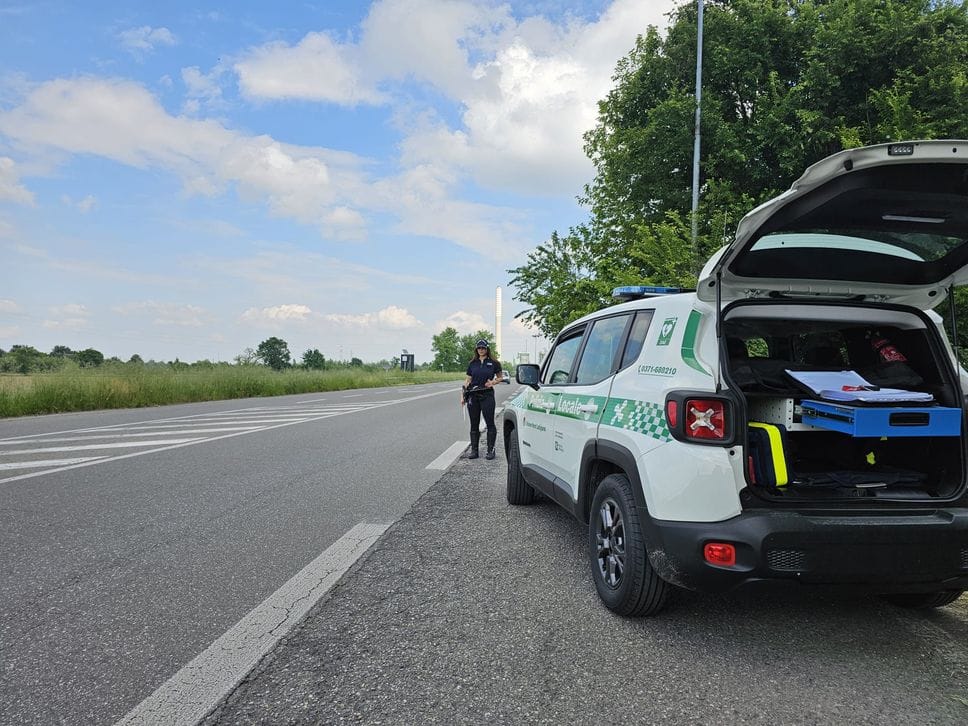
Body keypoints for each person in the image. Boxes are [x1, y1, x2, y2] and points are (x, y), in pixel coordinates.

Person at [462, 339, 502, 460]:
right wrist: (463, 395)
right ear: (476, 349)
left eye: (483, 348)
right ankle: (474, 451)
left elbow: (500, 377)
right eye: (479, 348)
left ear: (487, 349)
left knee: (490, 422)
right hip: (473, 396)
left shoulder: (494, 362)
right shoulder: (472, 363)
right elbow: (468, 380)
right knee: (474, 424)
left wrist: (493, 382)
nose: (481, 350)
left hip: (487, 395)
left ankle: (491, 450)